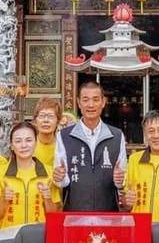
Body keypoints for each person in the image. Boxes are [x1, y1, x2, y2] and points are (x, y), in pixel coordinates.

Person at [54, 81, 127, 211]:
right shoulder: (64, 136)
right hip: (75, 212)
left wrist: (119, 180)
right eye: (85, 100)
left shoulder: (116, 136)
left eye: (95, 99)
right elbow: (62, 181)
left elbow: (122, 181)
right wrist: (59, 177)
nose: (91, 105)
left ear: (103, 102)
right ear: (79, 103)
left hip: (108, 213)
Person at [0, 121, 61, 229]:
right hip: (9, 235)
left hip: (38, 234)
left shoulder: (49, 174)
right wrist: (4, 199)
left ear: (36, 143)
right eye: (18, 141)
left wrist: (48, 198)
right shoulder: (0, 173)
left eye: (29, 140)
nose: (24, 145)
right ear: (11, 145)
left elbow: (54, 215)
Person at [32, 97, 62, 168]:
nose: (46, 120)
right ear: (35, 120)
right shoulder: (28, 145)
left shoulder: (62, 146)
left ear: (58, 121)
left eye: (50, 116)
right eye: (42, 116)